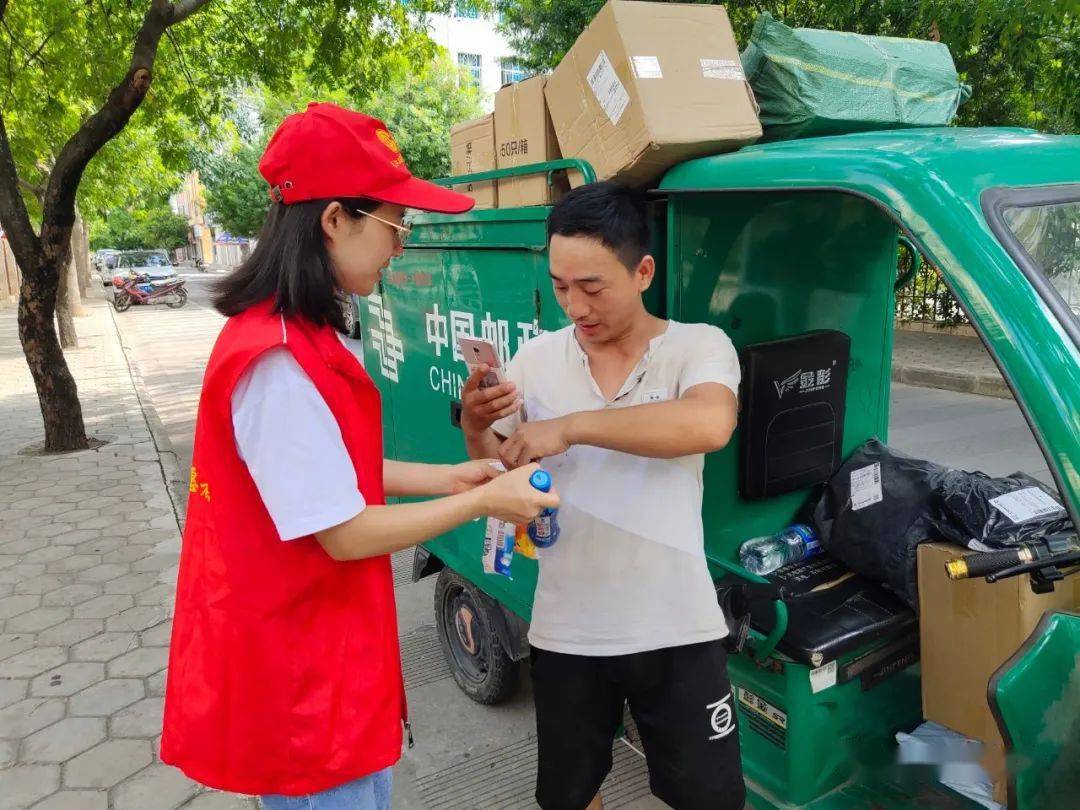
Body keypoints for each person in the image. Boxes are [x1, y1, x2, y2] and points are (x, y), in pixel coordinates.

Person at [159, 103, 558, 810]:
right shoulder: (276, 363)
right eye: (395, 226)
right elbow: (340, 529)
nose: (400, 247)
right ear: (335, 219)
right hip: (301, 685)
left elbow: (328, 476)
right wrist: (481, 501)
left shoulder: (303, 336)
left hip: (329, 650)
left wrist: (456, 473)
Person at [461, 182, 745, 810]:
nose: (575, 306)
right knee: (567, 795)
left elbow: (707, 425)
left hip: (678, 626)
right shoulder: (536, 359)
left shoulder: (697, 348)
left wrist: (571, 426)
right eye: (561, 287)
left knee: (709, 797)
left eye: (592, 287)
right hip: (569, 629)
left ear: (642, 271)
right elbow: (497, 474)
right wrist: (477, 428)